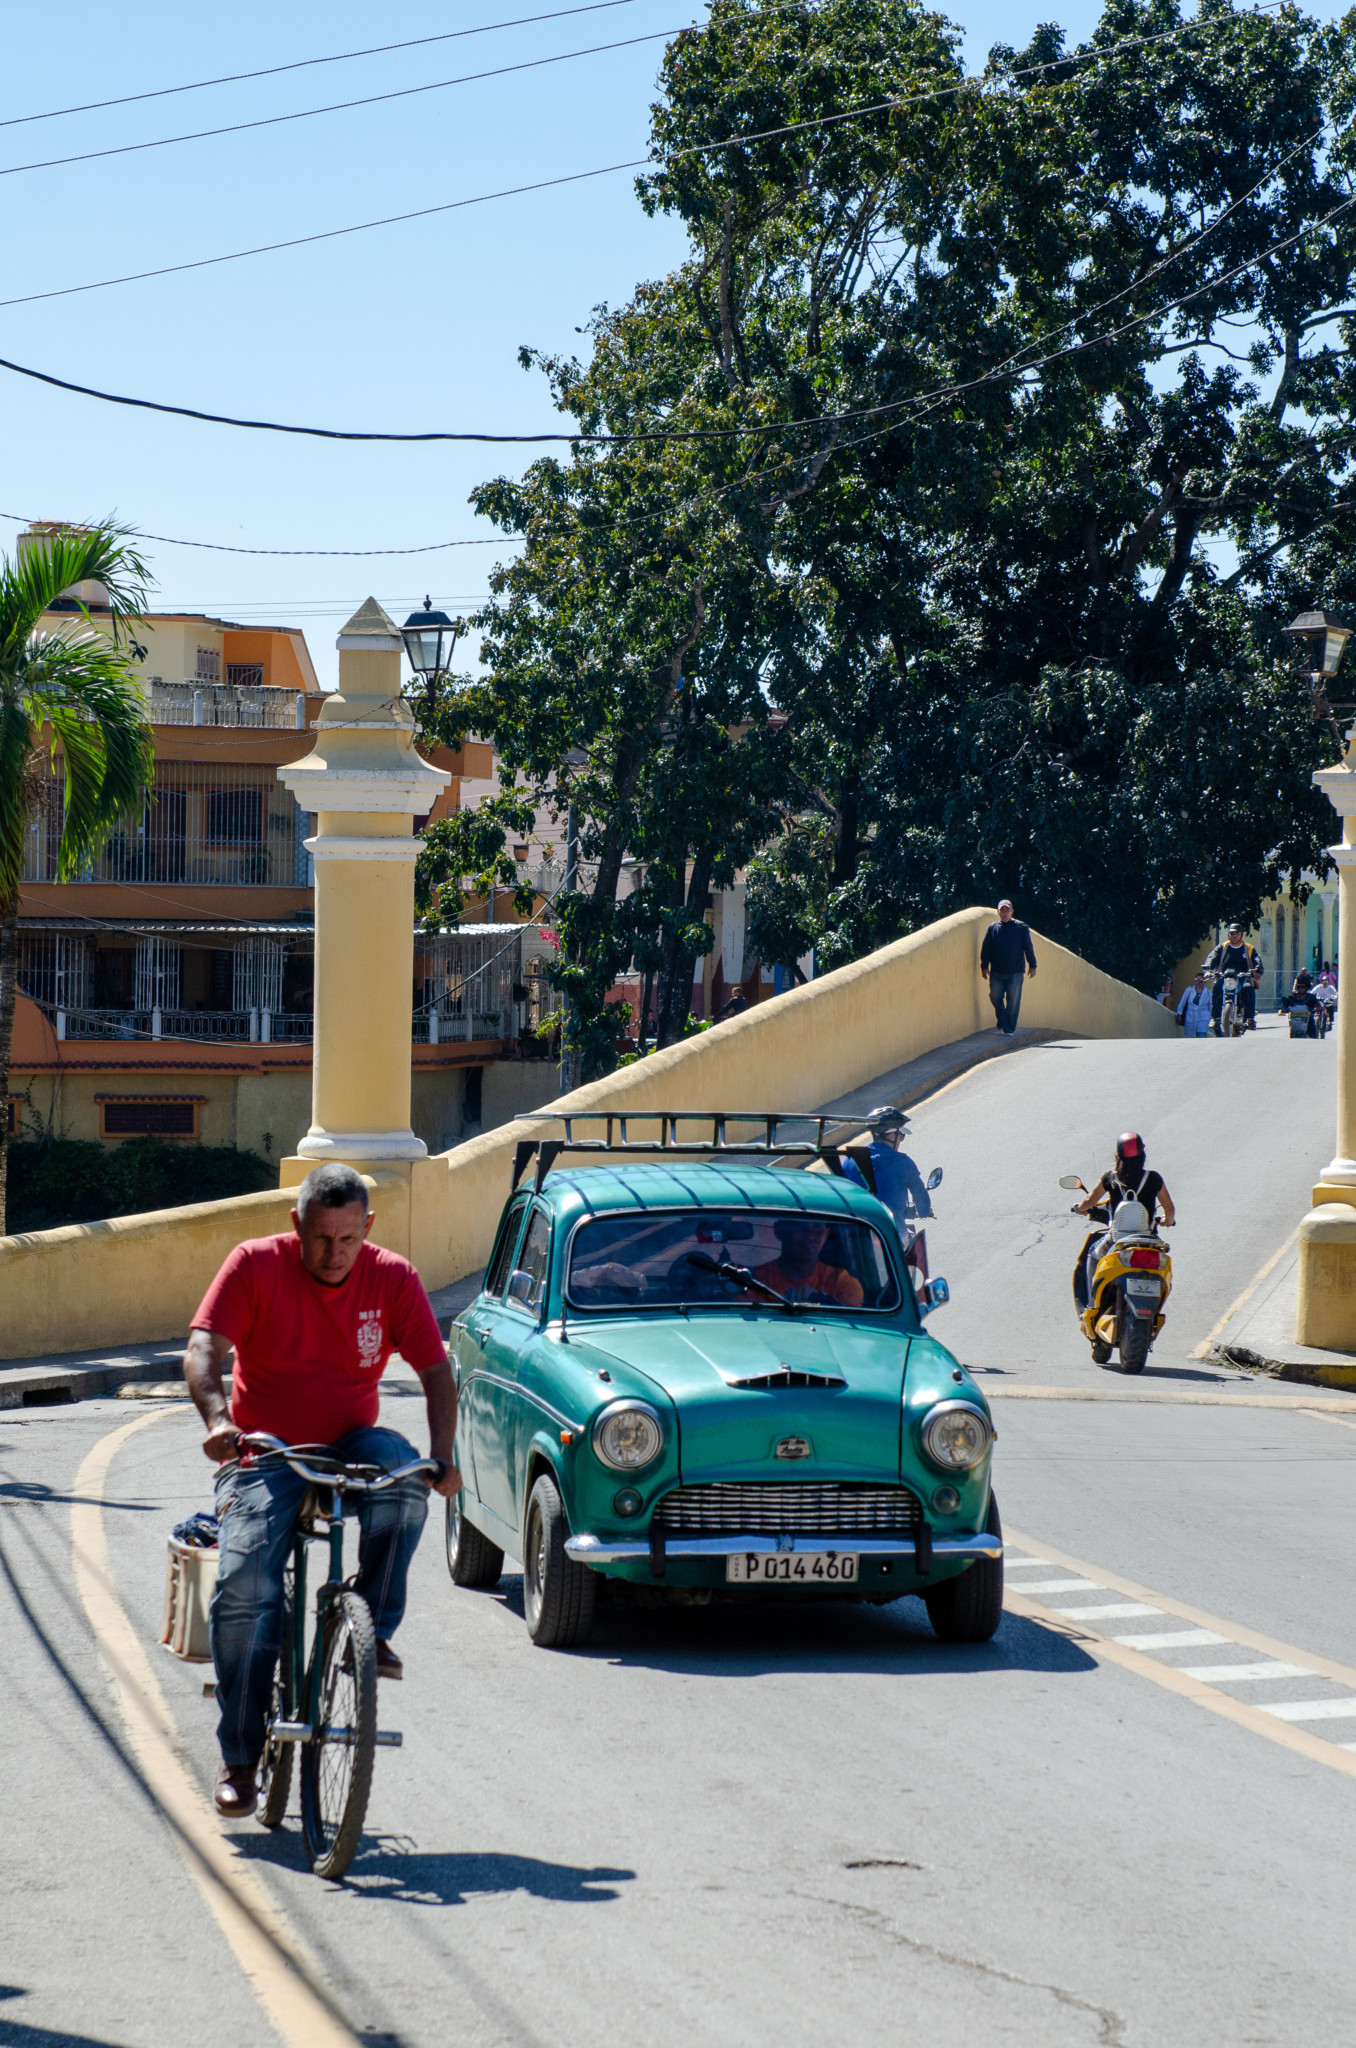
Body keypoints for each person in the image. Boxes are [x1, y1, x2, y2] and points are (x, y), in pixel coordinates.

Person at [185, 1162, 458, 1821]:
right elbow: (202, 1351)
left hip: (351, 1440)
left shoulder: (393, 1277)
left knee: (405, 1484)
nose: (334, 1255)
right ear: (296, 1227)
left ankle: (367, 1626)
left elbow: (435, 1371)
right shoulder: (254, 1264)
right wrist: (220, 1420)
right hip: (264, 1450)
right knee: (248, 1588)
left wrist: (442, 1457)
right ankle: (241, 1759)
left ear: (368, 1228)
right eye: (319, 1240)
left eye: (347, 1240)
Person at [1072, 1132, 1175, 1311]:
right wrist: (1166, 1221)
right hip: (1148, 1240)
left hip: (1117, 1240)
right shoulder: (1153, 1179)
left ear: (1118, 1157)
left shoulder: (1110, 1178)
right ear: (1143, 1155)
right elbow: (1170, 1210)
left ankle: (1092, 1307)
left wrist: (1080, 1208)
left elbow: (1089, 1201)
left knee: (1093, 1256)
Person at [842, 1105, 934, 1237]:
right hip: (893, 1234)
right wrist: (923, 1212)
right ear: (891, 1136)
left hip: (859, 1236)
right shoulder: (903, 1163)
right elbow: (922, 1202)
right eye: (901, 1136)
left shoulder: (850, 1162)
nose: (901, 1140)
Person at [752, 1218, 865, 1307]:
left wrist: (821, 1301)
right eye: (799, 1226)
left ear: (826, 1234)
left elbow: (850, 1329)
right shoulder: (755, 1281)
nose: (810, 1235)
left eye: (817, 1227)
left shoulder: (841, 1283)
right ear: (779, 1231)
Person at [980, 899, 1037, 1036]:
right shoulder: (992, 928)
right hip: (997, 971)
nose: (1004, 912)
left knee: (1013, 1001)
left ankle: (1009, 1028)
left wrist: (1033, 965)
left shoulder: (1021, 927)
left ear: (1012, 911)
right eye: (1002, 910)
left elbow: (1028, 947)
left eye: (1007, 910)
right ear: (998, 912)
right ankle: (1003, 1019)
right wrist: (984, 966)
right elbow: (986, 948)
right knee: (995, 996)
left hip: (1015, 971)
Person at [1203, 924, 1259, 1036]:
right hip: (1225, 977)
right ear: (1229, 934)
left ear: (1241, 934)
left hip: (1242, 977)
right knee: (1217, 988)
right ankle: (1216, 1018)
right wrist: (1208, 970)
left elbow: (1257, 960)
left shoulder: (1248, 948)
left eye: (1236, 933)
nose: (1233, 936)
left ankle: (1249, 1018)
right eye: (1231, 933)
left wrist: (1258, 971)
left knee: (1248, 988)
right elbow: (1212, 957)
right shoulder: (1222, 947)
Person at [1174, 973, 1213, 1038]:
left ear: (1204, 981)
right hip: (1190, 1017)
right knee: (1190, 1038)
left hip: (1203, 1018)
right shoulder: (1189, 990)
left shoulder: (1208, 993)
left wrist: (1210, 1019)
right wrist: (1179, 1014)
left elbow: (1210, 1007)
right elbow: (1182, 1002)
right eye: (1196, 980)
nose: (1198, 982)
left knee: (1201, 1036)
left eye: (1200, 981)